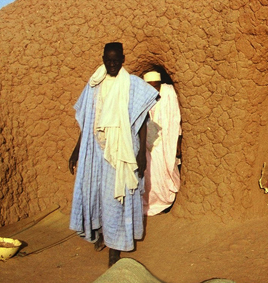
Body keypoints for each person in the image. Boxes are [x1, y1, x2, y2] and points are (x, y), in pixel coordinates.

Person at [68, 42, 159, 266]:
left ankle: (115, 248)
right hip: (96, 152)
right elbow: (88, 123)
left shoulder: (132, 85)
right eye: (108, 60)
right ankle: (101, 233)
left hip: (122, 152)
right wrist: (77, 150)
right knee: (98, 194)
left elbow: (142, 122)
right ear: (103, 58)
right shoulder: (94, 85)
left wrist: (140, 157)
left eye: (116, 60)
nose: (112, 64)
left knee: (119, 198)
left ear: (123, 59)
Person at [142, 71, 182, 215]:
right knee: (150, 172)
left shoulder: (169, 93)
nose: (154, 90)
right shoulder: (142, 96)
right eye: (150, 87)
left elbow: (175, 117)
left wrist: (177, 140)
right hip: (148, 140)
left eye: (156, 86)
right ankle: (153, 204)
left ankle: (167, 201)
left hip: (166, 139)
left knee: (167, 168)